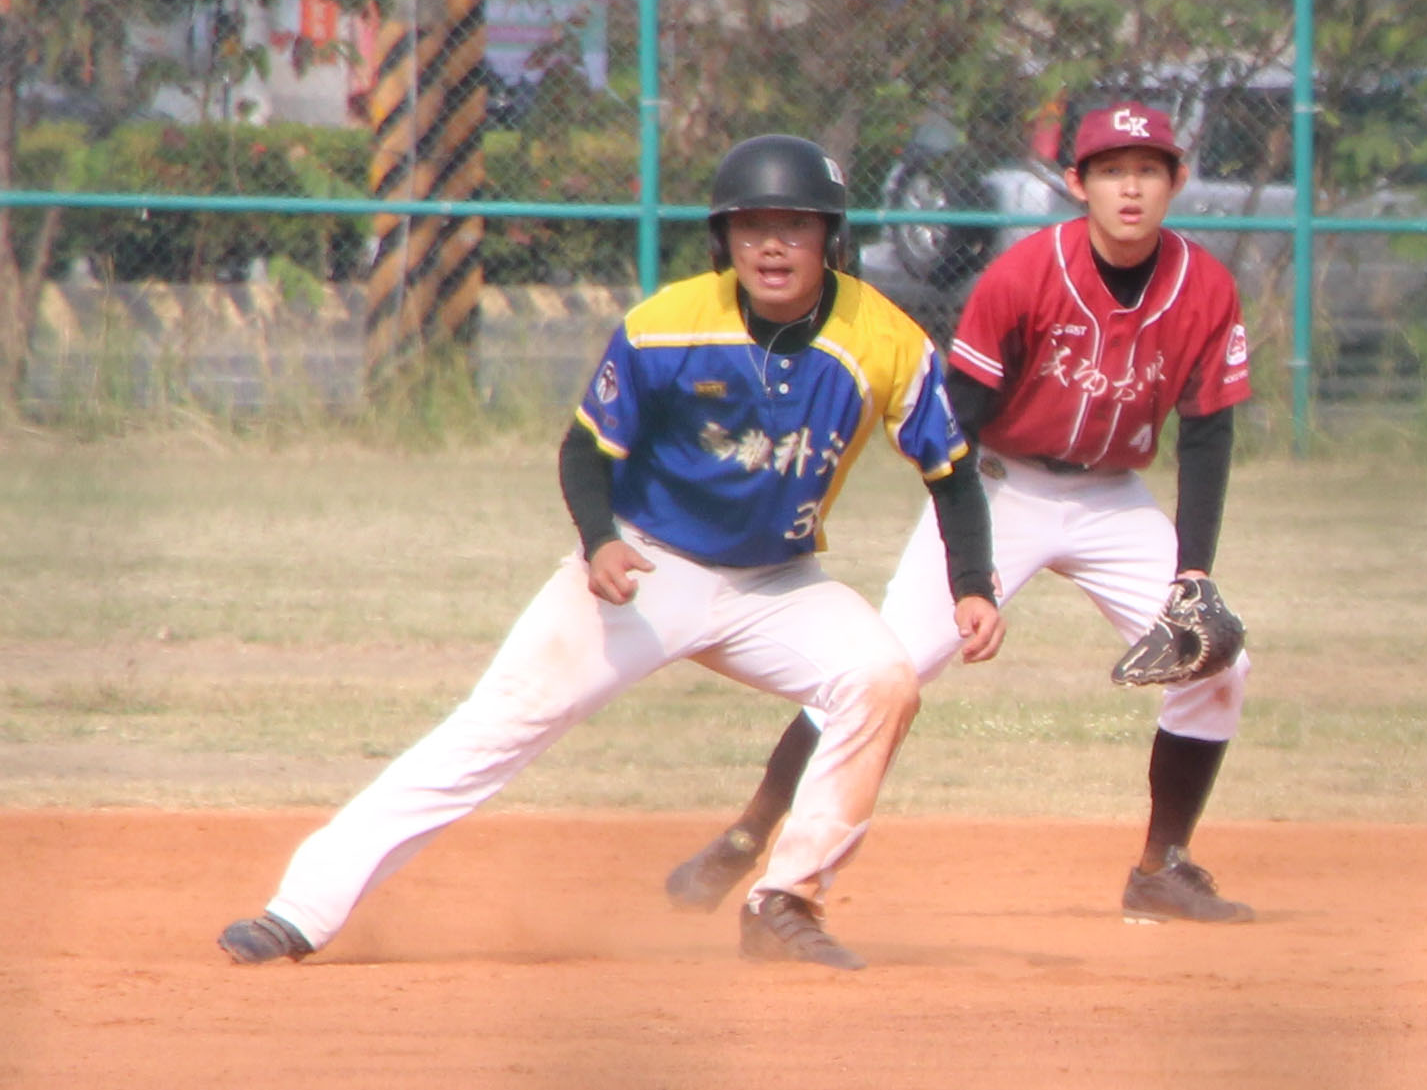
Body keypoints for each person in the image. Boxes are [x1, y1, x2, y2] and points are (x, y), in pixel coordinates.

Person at [214, 135, 1000, 973]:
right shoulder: (666, 328)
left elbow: (952, 475)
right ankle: (300, 908)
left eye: (795, 226)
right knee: (497, 725)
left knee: (882, 679)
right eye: (751, 225)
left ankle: (785, 902)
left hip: (778, 584)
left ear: (830, 240)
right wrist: (600, 543)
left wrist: (973, 585)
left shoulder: (885, 340)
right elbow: (585, 450)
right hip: (648, 569)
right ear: (724, 239)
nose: (772, 245)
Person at [659, 98, 1263, 925]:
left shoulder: (1206, 288)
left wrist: (1193, 570)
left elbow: (1207, 436)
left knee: (1217, 664)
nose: (1131, 189)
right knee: (881, 668)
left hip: (1115, 497)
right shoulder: (1023, 277)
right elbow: (959, 422)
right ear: (1074, 182)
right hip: (1004, 484)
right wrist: (968, 558)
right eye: (1112, 171)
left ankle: (1162, 865)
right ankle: (748, 835)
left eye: (1149, 171)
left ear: (1177, 182)